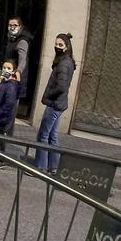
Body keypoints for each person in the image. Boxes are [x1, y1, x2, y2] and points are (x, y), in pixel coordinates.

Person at [33, 33, 76, 173]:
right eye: (56, 44)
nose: (57, 47)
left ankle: (40, 167)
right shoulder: (67, 61)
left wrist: (48, 95)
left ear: (67, 47)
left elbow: (61, 87)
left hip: (54, 104)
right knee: (52, 135)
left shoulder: (64, 63)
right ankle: (54, 166)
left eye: (60, 45)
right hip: (59, 103)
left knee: (43, 135)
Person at [5, 17, 34, 103]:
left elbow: (22, 60)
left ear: (20, 26)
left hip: (15, 77)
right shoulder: (11, 38)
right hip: (8, 74)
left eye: (15, 25)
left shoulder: (22, 41)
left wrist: (18, 72)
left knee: (11, 104)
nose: (12, 27)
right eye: (10, 25)